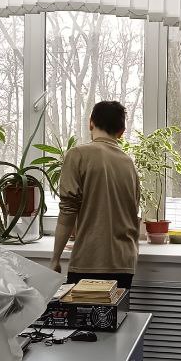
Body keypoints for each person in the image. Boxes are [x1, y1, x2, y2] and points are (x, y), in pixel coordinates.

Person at [50, 101, 142, 291]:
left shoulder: (77, 155)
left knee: (81, 312)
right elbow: (133, 212)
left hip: (89, 260)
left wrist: (55, 259)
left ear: (90, 122)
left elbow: (68, 211)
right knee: (117, 312)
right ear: (121, 132)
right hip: (124, 262)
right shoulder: (128, 163)